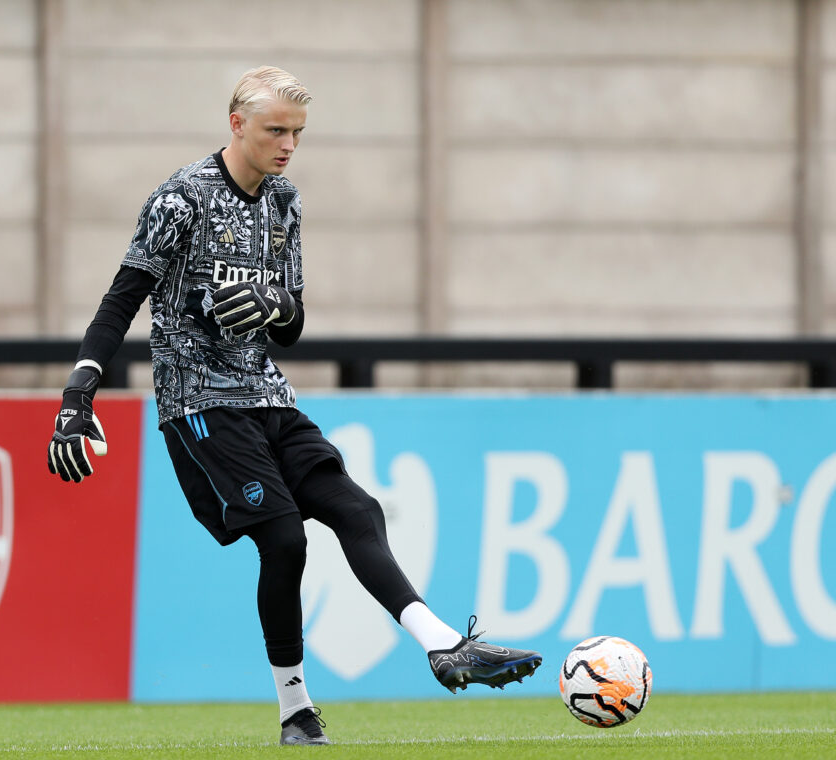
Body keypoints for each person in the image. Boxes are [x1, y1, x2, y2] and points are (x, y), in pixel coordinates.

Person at [46, 65, 541, 745]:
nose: (287, 144)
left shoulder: (284, 203)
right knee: (283, 539)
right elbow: (118, 303)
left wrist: (280, 306)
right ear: (236, 123)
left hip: (268, 393)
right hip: (201, 401)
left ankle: (444, 644)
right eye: (276, 129)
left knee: (357, 509)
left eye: (298, 132)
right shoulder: (178, 200)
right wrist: (78, 394)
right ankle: (296, 711)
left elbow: (291, 323)